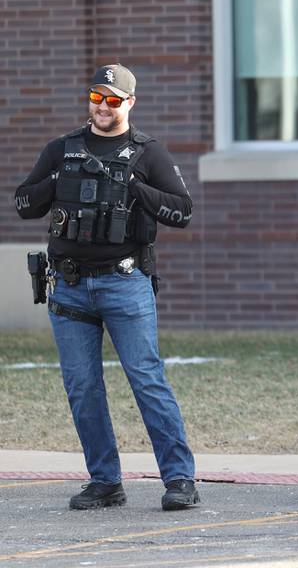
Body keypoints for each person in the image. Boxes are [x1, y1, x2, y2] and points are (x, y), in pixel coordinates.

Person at [14, 64, 200, 511]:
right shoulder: (63, 149)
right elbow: (23, 202)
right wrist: (61, 180)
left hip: (124, 283)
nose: (102, 106)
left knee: (146, 380)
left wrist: (135, 188)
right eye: (96, 97)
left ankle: (179, 480)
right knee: (82, 387)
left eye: (113, 100)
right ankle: (105, 481)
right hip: (70, 287)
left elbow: (184, 210)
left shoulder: (147, 153)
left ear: (130, 103)